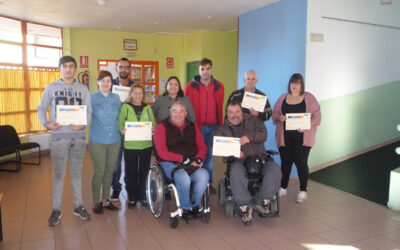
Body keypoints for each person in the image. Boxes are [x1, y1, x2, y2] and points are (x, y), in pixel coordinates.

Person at [37, 55, 92, 226]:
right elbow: (41, 108)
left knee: (76, 174)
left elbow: (88, 111)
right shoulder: (51, 87)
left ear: (75, 69)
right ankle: (56, 210)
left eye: (71, 66)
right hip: (59, 138)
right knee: (59, 175)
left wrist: (82, 125)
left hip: (78, 138)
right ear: (60, 69)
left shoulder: (83, 89)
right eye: (65, 66)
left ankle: (79, 206)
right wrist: (46, 124)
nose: (68, 69)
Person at [214, 101, 281, 226]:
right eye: (231, 112)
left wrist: (250, 137)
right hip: (238, 161)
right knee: (235, 172)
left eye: (237, 111)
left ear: (242, 111)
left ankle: (262, 200)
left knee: (274, 169)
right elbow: (216, 145)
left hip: (259, 158)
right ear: (227, 114)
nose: (234, 115)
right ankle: (245, 206)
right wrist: (234, 152)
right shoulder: (222, 129)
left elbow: (263, 134)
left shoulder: (254, 120)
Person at [153, 101, 209, 219]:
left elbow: (202, 147)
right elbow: (161, 152)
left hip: (190, 161)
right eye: (174, 111)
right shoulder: (161, 127)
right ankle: (186, 208)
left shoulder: (192, 126)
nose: (178, 114)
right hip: (169, 162)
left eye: (181, 111)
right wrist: (182, 159)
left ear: (186, 113)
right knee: (183, 177)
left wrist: (199, 158)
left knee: (204, 175)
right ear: (170, 112)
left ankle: (194, 205)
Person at [272, 73, 321, 203]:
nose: (295, 85)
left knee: (301, 164)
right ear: (289, 84)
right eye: (293, 82)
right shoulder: (283, 98)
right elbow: (275, 113)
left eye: (298, 83)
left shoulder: (309, 98)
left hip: (303, 138)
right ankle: (283, 187)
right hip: (285, 138)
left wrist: (307, 126)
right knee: (286, 163)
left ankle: (303, 190)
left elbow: (317, 117)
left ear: (301, 85)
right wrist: (279, 117)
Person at [184, 58, 224, 194]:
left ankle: (208, 183)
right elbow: (185, 107)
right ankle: (195, 182)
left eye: (207, 68)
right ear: (198, 70)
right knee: (197, 157)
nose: (205, 72)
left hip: (214, 127)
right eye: (202, 69)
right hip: (197, 128)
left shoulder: (219, 86)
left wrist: (220, 127)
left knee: (210, 159)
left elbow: (220, 107)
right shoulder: (190, 86)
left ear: (211, 69)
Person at [88, 70, 121, 214]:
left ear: (112, 83)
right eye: (103, 80)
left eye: (108, 80)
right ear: (98, 83)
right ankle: (96, 201)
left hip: (114, 139)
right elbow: (84, 114)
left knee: (110, 170)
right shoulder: (91, 98)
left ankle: (105, 200)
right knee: (99, 170)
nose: (106, 83)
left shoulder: (117, 98)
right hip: (97, 140)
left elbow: (121, 116)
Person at [119, 83, 156, 208]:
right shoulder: (126, 107)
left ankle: (143, 196)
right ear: (131, 94)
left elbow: (153, 123)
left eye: (140, 93)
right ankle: (133, 197)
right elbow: (120, 121)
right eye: (135, 93)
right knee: (131, 172)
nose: (138, 95)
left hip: (146, 144)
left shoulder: (147, 108)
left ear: (143, 95)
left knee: (144, 171)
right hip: (130, 145)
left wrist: (153, 128)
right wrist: (121, 129)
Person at [110, 57, 135, 201]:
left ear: (130, 69)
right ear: (116, 68)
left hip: (132, 130)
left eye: (126, 67)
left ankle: (130, 188)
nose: (124, 70)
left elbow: (141, 102)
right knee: (116, 163)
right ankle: (116, 188)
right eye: (121, 67)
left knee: (131, 162)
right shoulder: (110, 85)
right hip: (115, 130)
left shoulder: (135, 86)